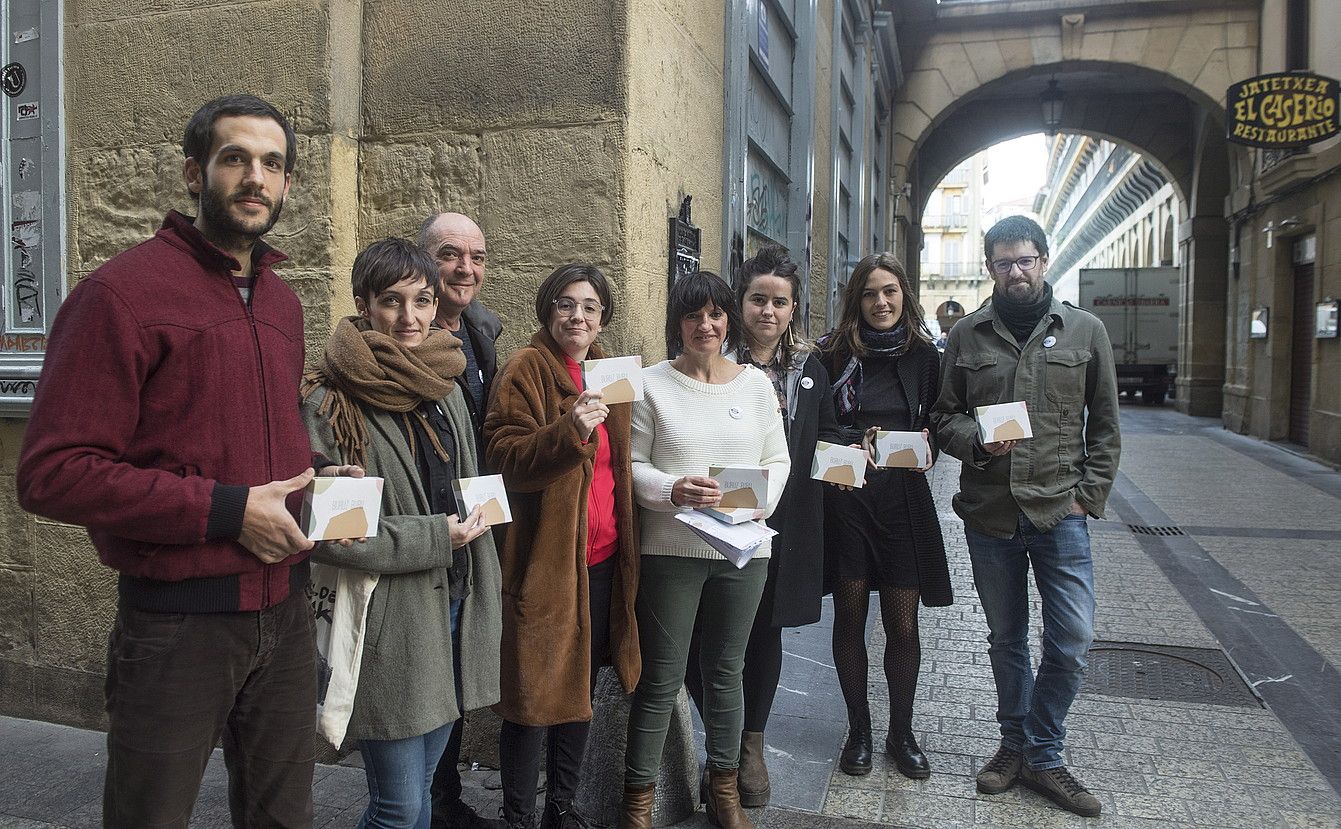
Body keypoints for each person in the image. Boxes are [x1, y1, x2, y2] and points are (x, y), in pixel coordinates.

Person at [16, 94, 328, 827]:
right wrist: (227, 509)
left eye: (272, 164)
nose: (255, 177)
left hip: (284, 617)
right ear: (195, 173)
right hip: (177, 627)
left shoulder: (283, 304)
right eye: (235, 159)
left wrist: (314, 473)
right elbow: (52, 472)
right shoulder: (118, 295)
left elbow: (235, 435)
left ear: (286, 186)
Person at [301, 238, 503, 829]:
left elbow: (468, 481)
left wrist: (486, 510)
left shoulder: (444, 385)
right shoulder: (331, 400)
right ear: (364, 304)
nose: (410, 318)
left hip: (456, 606)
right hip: (391, 619)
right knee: (399, 807)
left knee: (418, 799)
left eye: (421, 300)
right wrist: (436, 536)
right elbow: (336, 535)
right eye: (392, 302)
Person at [931, 215, 1120, 818]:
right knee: (1006, 639)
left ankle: (1044, 750)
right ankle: (1016, 747)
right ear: (990, 268)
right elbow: (943, 418)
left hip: (1059, 513)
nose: (1016, 271)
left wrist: (1087, 497)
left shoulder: (1085, 331)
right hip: (991, 515)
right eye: (1004, 262)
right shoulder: (966, 336)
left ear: (1044, 261)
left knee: (1071, 641)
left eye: (1026, 260)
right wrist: (978, 441)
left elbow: (1107, 426)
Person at [621, 271, 789, 829]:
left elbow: (778, 460)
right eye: (693, 316)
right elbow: (632, 464)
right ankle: (638, 802)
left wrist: (759, 500)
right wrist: (671, 489)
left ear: (729, 321)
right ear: (678, 323)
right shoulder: (650, 383)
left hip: (742, 550)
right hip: (671, 549)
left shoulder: (755, 386)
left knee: (727, 671)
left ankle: (724, 792)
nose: (706, 326)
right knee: (661, 678)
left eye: (716, 314)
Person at [683, 244, 841, 806]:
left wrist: (852, 454)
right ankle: (719, 743)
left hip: (783, 523)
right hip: (713, 518)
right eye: (757, 299)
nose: (767, 311)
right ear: (739, 301)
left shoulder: (809, 369)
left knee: (763, 633)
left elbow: (824, 436)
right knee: (709, 635)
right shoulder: (710, 353)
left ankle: (749, 748)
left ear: (793, 309)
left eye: (779, 302)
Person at [484, 264, 641, 829]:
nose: (578, 316)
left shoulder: (610, 374)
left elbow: (623, 466)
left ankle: (561, 809)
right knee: (532, 700)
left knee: (580, 692)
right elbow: (502, 457)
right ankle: (519, 816)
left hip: (601, 564)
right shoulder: (526, 369)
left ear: (604, 318)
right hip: (546, 566)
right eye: (567, 305)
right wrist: (567, 429)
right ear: (548, 310)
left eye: (591, 307)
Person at [816, 253, 953, 780]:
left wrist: (933, 441)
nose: (881, 302)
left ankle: (902, 731)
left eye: (890, 291)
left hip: (903, 505)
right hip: (848, 501)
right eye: (871, 293)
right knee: (849, 618)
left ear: (904, 296)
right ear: (857, 300)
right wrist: (855, 441)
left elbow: (942, 417)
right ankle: (859, 729)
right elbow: (817, 428)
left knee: (902, 623)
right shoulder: (831, 355)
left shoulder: (923, 357)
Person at [417, 210, 506, 829]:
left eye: (475, 257)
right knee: (423, 682)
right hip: (421, 540)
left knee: (452, 677)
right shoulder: (401, 340)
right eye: (450, 255)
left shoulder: (481, 335)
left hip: (471, 533)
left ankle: (440, 802)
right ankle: (415, 806)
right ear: (423, 259)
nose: (465, 269)